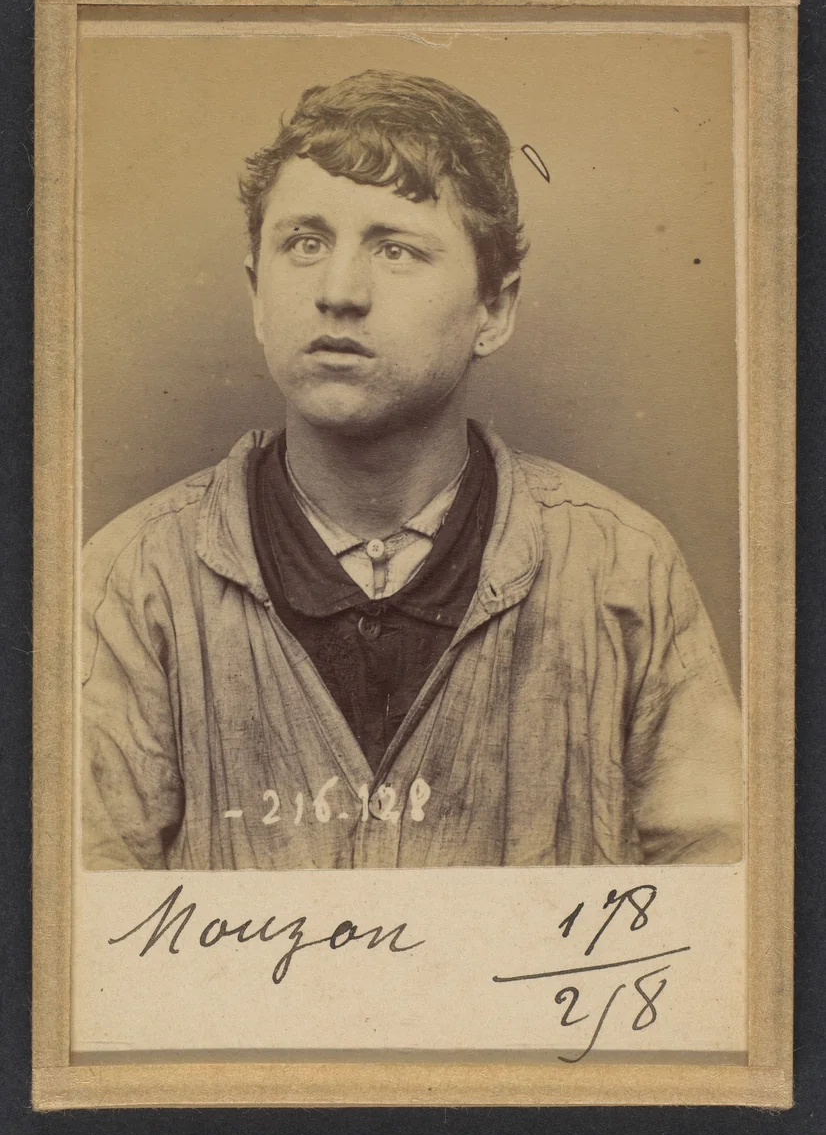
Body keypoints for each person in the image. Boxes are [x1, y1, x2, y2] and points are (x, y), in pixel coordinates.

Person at [82, 69, 742, 871]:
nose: (338, 292)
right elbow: (83, 942)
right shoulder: (132, 581)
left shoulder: (623, 570)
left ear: (493, 310)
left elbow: (719, 916)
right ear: (257, 296)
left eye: (395, 249)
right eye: (305, 243)